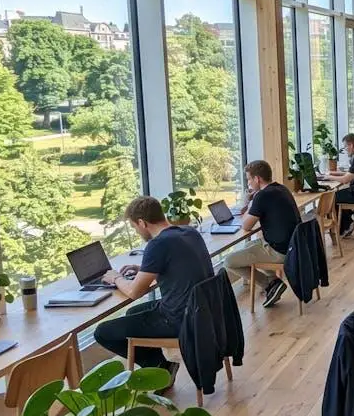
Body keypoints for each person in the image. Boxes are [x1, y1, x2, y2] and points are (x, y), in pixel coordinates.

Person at [95, 196, 215, 380]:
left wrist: (116, 278)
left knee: (102, 332)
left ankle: (159, 365)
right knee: (133, 312)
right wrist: (145, 270)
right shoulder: (188, 232)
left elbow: (135, 292)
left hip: (178, 319)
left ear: (142, 222)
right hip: (202, 310)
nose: (136, 231)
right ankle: (161, 364)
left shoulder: (158, 244)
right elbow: (178, 268)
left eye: (134, 227)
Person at [223, 160, 300, 308]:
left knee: (229, 262)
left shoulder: (262, 196)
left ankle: (269, 284)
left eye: (249, 179)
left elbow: (246, 226)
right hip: (294, 246)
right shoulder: (281, 189)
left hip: (280, 251)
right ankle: (273, 282)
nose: (249, 184)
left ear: (257, 179)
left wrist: (247, 203)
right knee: (250, 245)